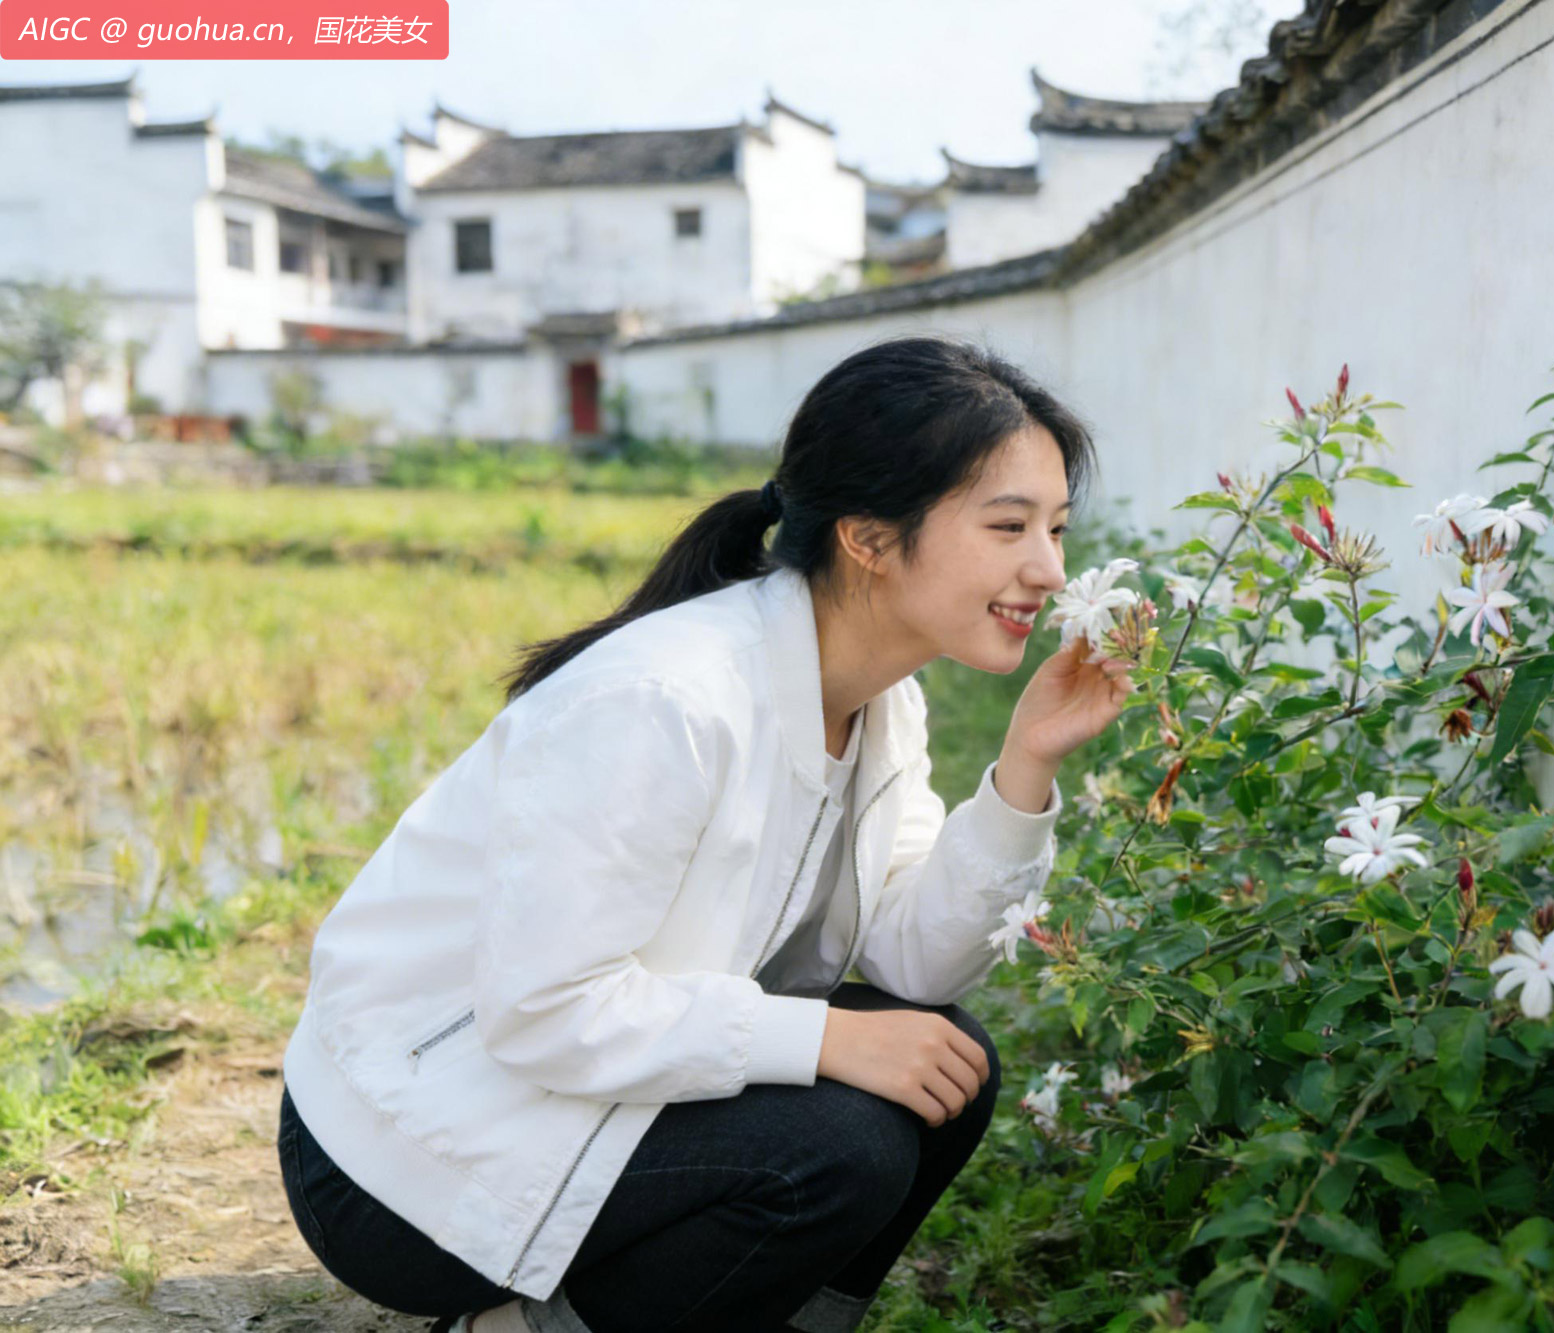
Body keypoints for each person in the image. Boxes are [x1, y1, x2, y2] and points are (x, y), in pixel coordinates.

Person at [274, 335, 1135, 1333]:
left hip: (566, 1089)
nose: (1046, 569)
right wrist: (819, 1036)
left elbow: (917, 959)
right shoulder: (666, 699)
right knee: (844, 1138)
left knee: (943, 1063)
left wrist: (1025, 762)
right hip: (402, 1149)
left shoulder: (881, 703)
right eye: (1007, 526)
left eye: (1057, 529)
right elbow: (543, 1008)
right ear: (865, 536)